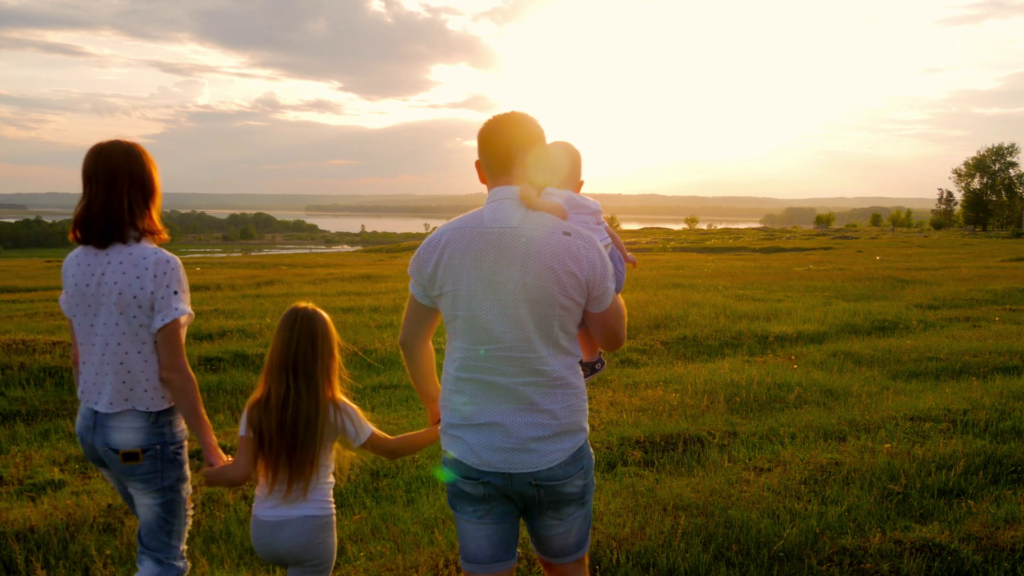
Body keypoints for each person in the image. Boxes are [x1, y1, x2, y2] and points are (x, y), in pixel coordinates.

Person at [399, 111, 628, 576]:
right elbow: (613, 338)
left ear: (480, 170)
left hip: (470, 450)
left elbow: (411, 340)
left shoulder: (441, 244)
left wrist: (433, 402)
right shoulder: (578, 242)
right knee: (567, 568)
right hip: (556, 445)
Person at [60, 139, 228, 575]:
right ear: (146, 190)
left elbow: (78, 356)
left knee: (155, 534)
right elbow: (172, 369)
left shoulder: (74, 263)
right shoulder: (160, 265)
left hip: (92, 426)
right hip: (143, 431)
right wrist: (210, 446)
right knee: (161, 558)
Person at [202, 302, 439, 576]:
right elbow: (391, 449)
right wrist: (441, 429)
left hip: (265, 532)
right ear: (328, 353)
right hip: (310, 532)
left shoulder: (258, 407)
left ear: (278, 351)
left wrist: (203, 475)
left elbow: (237, 474)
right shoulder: (335, 409)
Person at [520, 141, 637, 380]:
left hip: (593, 267)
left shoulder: (549, 196)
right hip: (612, 263)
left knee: (577, 319)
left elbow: (558, 214)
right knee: (584, 318)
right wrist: (625, 255)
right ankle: (591, 360)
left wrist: (530, 200)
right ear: (580, 185)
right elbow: (609, 231)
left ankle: (587, 359)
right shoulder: (589, 204)